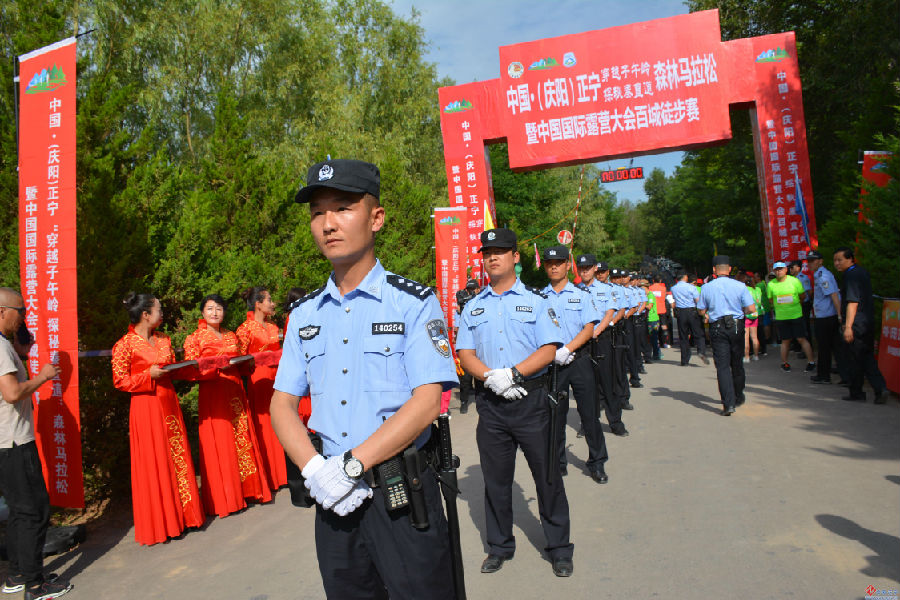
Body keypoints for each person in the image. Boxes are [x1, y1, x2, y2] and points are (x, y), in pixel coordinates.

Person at [270, 159, 458, 599]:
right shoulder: (304, 315)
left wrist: (354, 464)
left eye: (342, 208)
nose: (328, 224)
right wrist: (316, 469)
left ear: (376, 218)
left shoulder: (412, 303)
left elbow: (429, 400)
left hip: (401, 493)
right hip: (333, 500)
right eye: (318, 212)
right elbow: (281, 403)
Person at [457, 228, 574, 578]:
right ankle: (499, 546)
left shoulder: (538, 302)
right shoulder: (473, 306)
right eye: (487, 252)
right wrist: (491, 377)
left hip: (532, 401)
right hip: (492, 404)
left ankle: (559, 548)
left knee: (548, 476)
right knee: (495, 480)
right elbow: (465, 351)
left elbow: (549, 348)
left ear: (515, 257)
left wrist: (514, 375)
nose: (493, 257)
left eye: (501, 251)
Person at [111, 292, 205, 545]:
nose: (162, 314)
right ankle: (162, 522)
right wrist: (147, 375)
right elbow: (120, 381)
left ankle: (186, 517)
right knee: (155, 461)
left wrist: (196, 366)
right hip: (145, 408)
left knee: (175, 457)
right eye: (159, 310)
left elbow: (173, 368)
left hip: (168, 403)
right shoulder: (124, 345)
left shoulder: (164, 340)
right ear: (145, 315)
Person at [0, 287, 73, 600]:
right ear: (2, 311)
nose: (22, 317)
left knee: (19, 512)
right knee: (34, 511)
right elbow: (12, 393)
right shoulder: (0, 347)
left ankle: (17, 574)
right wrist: (43, 377)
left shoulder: (6, 345)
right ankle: (35, 585)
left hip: (7, 442)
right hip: (15, 442)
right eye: (20, 311)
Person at [183, 294, 272, 517]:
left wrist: (247, 365)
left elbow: (242, 361)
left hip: (235, 391)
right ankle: (227, 499)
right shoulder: (194, 339)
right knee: (221, 442)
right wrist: (214, 368)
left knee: (241, 439)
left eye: (219, 309)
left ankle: (249, 491)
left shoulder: (232, 335)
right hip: (213, 394)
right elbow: (190, 371)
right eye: (210, 308)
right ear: (202, 312)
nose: (215, 313)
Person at [541, 245, 607, 482]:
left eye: (559, 262)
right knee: (555, 416)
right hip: (553, 365)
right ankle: (558, 462)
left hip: (579, 361)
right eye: (550, 263)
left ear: (568, 265)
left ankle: (597, 461)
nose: (554, 266)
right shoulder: (540, 297)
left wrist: (568, 348)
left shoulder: (581, 295)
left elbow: (589, 328)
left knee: (589, 414)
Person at [236, 286, 286, 491]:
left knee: (282, 421)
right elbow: (239, 359)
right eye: (269, 300)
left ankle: (286, 473)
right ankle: (272, 476)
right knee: (266, 424)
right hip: (259, 379)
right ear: (257, 304)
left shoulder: (273, 327)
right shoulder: (244, 329)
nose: (272, 304)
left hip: (277, 377)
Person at [697, 257, 756, 415]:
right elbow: (751, 308)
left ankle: (728, 404)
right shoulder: (740, 286)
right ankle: (738, 395)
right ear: (729, 269)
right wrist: (740, 314)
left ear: (715, 270)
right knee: (737, 363)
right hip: (736, 325)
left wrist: (709, 312)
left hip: (717, 327)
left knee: (722, 366)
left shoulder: (707, 287)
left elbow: (701, 310)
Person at [577, 256, 628, 436]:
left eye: (588, 268)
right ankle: (587, 424)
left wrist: (595, 332)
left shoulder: (606, 289)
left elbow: (610, 313)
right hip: (582, 343)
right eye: (581, 268)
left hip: (601, 339)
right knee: (586, 386)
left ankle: (615, 422)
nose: (585, 271)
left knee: (608, 382)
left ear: (594, 269)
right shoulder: (575, 291)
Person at [833, 247, 887, 403]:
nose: (837, 263)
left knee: (855, 358)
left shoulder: (851, 275)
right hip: (867, 321)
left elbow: (852, 302)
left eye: (840, 260)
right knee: (866, 356)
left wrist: (848, 326)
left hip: (856, 323)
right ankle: (878, 389)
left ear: (850, 259)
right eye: (835, 260)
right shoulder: (862, 272)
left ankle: (859, 392)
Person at [766, 262, 815, 373]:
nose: (779, 271)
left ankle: (811, 362)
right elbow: (770, 300)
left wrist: (796, 305)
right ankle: (784, 363)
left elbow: (802, 296)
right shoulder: (771, 284)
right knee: (785, 341)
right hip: (781, 317)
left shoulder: (794, 281)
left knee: (801, 338)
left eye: (781, 269)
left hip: (796, 315)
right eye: (776, 270)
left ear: (785, 270)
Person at [807, 251, 842, 384]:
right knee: (830, 347)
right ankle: (835, 375)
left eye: (813, 260)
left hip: (826, 317)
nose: (810, 263)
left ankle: (824, 376)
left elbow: (833, 295)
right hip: (825, 316)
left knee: (824, 347)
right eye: (809, 261)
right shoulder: (819, 274)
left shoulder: (823, 276)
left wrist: (839, 315)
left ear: (820, 261)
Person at [671, 272, 708, 366]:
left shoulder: (673, 288)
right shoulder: (691, 287)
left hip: (680, 313)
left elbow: (674, 300)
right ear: (684, 277)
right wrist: (703, 313)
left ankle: (684, 360)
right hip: (692, 312)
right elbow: (697, 301)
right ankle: (701, 351)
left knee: (683, 336)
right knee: (698, 333)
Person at [742, 274, 762, 361]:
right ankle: (756, 355)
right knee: (754, 337)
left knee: (746, 338)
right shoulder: (757, 290)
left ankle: (746, 357)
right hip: (755, 314)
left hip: (746, 315)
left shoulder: (744, 290)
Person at [643, 281, 661, 361]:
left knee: (653, 338)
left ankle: (656, 354)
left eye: (641, 287)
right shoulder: (646, 295)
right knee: (649, 338)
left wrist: (642, 305)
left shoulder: (650, 295)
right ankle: (651, 354)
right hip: (648, 319)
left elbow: (649, 307)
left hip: (653, 319)